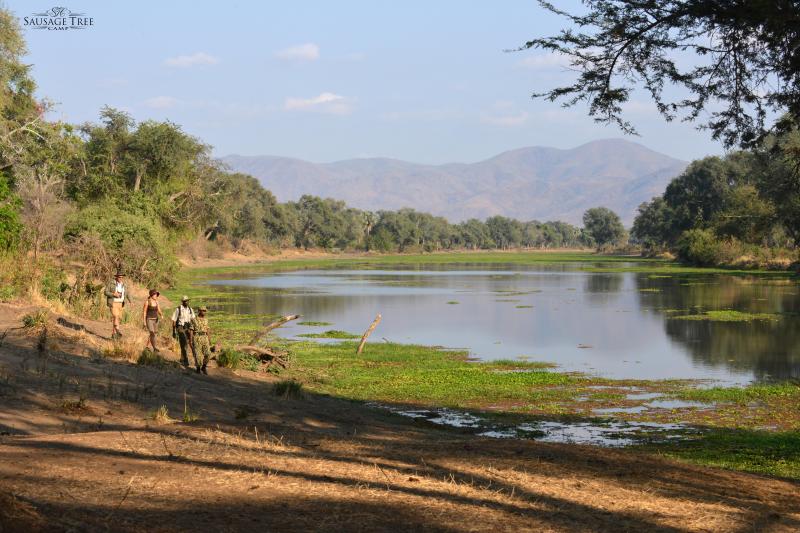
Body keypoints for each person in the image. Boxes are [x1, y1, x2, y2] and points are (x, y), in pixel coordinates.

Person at [104, 270, 131, 340]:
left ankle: (114, 334)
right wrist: (113, 294)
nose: (120, 278)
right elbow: (105, 292)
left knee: (117, 318)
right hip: (113, 302)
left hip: (121, 303)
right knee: (115, 316)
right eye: (119, 277)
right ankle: (118, 331)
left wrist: (130, 300)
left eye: (122, 277)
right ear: (116, 277)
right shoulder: (111, 283)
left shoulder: (124, 284)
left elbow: (127, 293)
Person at [171, 296, 196, 368]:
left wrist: (194, 329)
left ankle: (183, 358)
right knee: (184, 343)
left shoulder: (190, 309)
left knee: (191, 342)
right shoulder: (178, 309)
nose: (186, 302)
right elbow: (174, 320)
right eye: (185, 301)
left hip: (188, 327)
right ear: (182, 302)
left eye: (187, 301)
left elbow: (193, 319)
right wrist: (173, 331)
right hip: (180, 327)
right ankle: (186, 360)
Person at [192, 306, 213, 374]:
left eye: (205, 311)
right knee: (198, 354)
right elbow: (191, 330)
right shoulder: (194, 319)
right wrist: (190, 339)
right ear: (199, 311)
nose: (204, 312)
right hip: (197, 337)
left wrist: (209, 339)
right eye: (202, 310)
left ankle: (203, 367)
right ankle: (198, 368)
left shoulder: (206, 320)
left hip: (205, 337)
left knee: (208, 354)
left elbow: (208, 329)